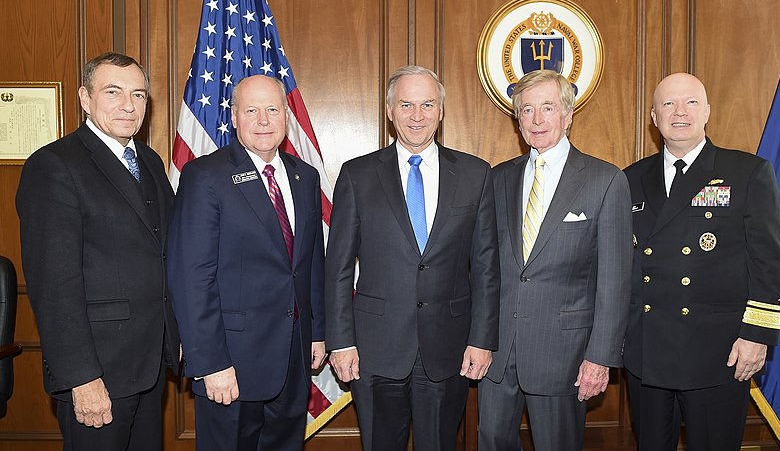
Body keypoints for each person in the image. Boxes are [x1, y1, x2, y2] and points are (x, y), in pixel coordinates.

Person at [325, 65, 500, 451]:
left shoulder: (475, 174)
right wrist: (340, 342)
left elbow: (487, 268)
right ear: (390, 110)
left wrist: (482, 340)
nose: (416, 115)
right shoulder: (357, 175)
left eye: (427, 104)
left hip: (449, 348)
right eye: (406, 104)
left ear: (441, 110)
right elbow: (336, 269)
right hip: (375, 349)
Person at [16, 52, 181, 450]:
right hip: (97, 373)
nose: (129, 105)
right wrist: (81, 378)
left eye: (139, 95)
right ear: (85, 99)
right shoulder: (54, 165)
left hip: (149, 364)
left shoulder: (150, 161)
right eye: (113, 92)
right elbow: (54, 286)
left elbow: (162, 253)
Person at [623, 72, 780, 450]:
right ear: (653, 117)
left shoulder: (746, 172)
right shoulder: (630, 179)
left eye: (691, 102)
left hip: (719, 352)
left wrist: (757, 336)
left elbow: (770, 263)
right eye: (668, 103)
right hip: (647, 352)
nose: (679, 112)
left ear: (707, 112)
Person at [167, 74, 326, 451]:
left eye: (273, 109)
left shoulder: (305, 177)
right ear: (234, 116)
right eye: (252, 110)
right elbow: (191, 278)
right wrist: (210, 364)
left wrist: (318, 331)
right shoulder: (206, 176)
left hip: (293, 356)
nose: (264, 120)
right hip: (231, 362)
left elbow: (311, 264)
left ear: (286, 116)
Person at [478, 69, 632, 451]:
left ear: (568, 114)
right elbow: (485, 269)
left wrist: (600, 357)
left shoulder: (605, 180)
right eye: (526, 110)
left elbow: (614, 281)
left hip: (564, 355)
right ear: (517, 120)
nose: (537, 119)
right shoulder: (498, 179)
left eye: (547, 107)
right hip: (498, 355)